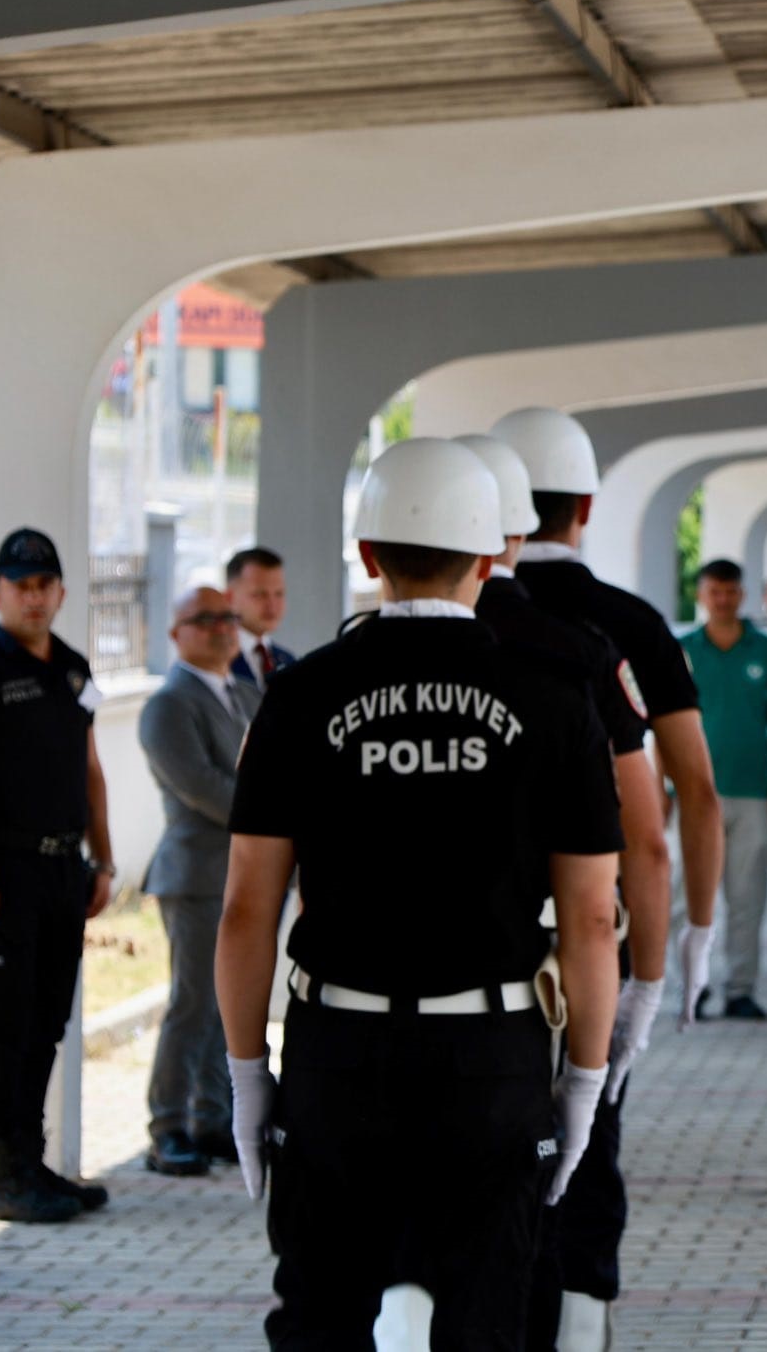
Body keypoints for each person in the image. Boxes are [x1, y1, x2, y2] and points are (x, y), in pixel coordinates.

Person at [215, 438, 624, 1351]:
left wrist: (247, 1074)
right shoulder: (557, 701)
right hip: (492, 1053)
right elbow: (594, 917)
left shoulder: (300, 694)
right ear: (491, 557)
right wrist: (587, 1078)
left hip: (339, 1054)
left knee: (320, 1315)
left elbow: (248, 906)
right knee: (487, 1319)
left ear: (368, 558)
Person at [493, 404, 725, 1350]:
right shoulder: (627, 626)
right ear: (587, 503)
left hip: (474, 947)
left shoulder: (468, 617)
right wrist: (684, 949)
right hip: (595, 946)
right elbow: (688, 806)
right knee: (581, 1173)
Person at [451, 431, 673, 1352]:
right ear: (579, 506)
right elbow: (650, 834)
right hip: (548, 976)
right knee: (563, 1203)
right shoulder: (588, 646)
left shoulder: (335, 667)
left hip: (378, 1004)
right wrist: (649, 979)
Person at [0, 527, 116, 1224]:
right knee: (1, 1026)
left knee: (45, 1023)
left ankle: (30, 1164)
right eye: (21, 586)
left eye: (45, 586)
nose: (34, 597)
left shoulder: (72, 668)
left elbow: (90, 769)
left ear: (61, 593)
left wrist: (102, 858)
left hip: (63, 870)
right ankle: (3, 1176)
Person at [137, 585, 260, 1179]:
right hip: (195, 876)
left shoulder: (243, 692)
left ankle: (212, 1119)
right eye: (204, 619)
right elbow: (206, 787)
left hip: (242, 878)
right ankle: (168, 1127)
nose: (220, 628)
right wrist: (278, 817)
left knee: (224, 1003)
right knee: (191, 1001)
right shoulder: (168, 703)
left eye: (228, 617)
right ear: (176, 633)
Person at [678, 558, 767, 1021]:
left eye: (730, 592)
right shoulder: (682, 651)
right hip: (693, 795)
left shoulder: (766, 650)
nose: (723, 600)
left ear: (741, 595)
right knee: (687, 897)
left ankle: (740, 989)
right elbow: (660, 726)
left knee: (747, 895)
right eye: (714, 592)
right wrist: (662, 786)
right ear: (702, 595)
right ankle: (693, 986)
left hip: (752, 791)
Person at [227, 547, 296, 686]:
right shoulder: (217, 661)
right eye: (259, 594)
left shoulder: (288, 661)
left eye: (279, 594)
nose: (272, 605)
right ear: (230, 598)